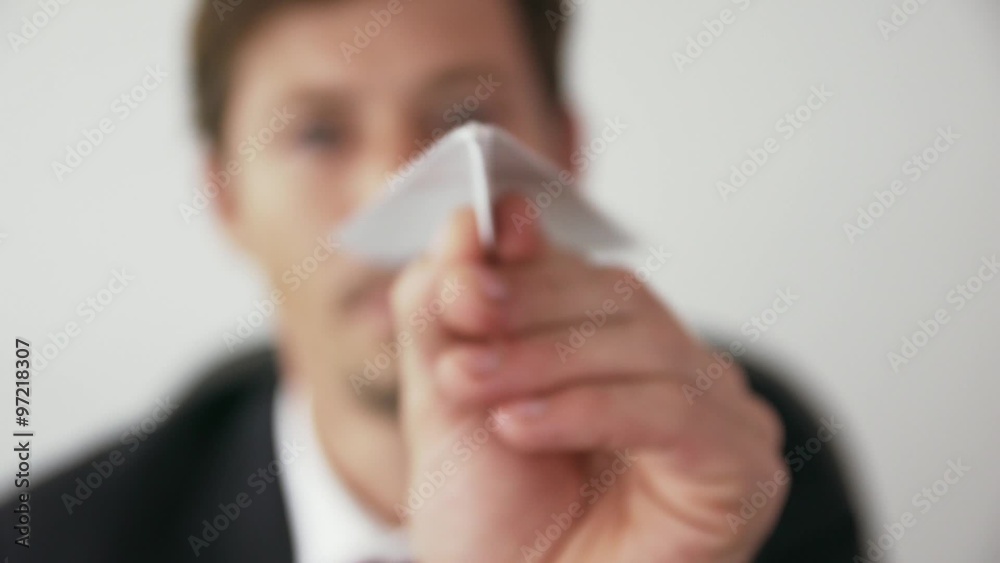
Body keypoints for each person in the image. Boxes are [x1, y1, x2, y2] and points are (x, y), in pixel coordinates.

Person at [1, 0, 862, 561]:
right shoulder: (57, 540)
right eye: (317, 134)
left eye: (465, 119)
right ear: (226, 197)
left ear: (562, 153)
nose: (397, 188)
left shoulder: (733, 466)